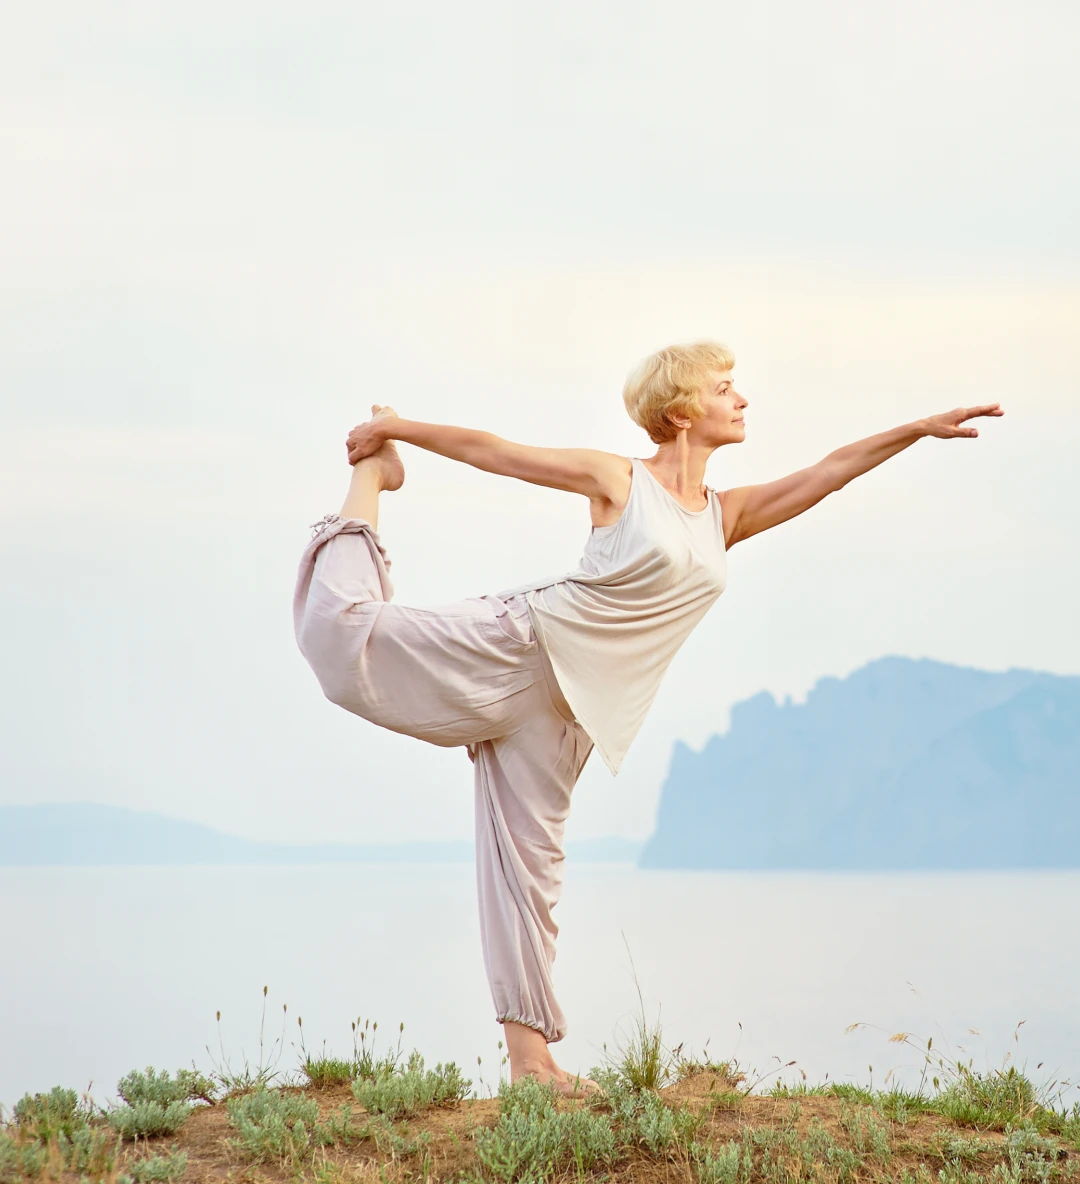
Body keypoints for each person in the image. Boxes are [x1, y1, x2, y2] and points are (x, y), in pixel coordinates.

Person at [293, 340, 1003, 1097]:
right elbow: (502, 454)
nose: (743, 399)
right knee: (342, 636)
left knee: (526, 878)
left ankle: (532, 1068)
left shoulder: (727, 515)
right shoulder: (620, 482)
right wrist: (396, 434)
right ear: (682, 411)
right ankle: (371, 480)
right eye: (726, 388)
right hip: (523, 646)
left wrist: (916, 429)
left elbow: (827, 474)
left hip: (570, 713)